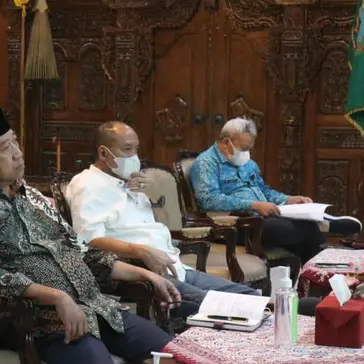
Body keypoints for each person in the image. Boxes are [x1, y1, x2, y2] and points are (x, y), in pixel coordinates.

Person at [0, 107, 178, 364]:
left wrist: (147, 275)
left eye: (15, 142)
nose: (18, 153)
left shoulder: (37, 199)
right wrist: (55, 297)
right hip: (43, 324)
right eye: (5, 148)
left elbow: (83, 253)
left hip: (97, 307)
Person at [65, 121, 259, 309]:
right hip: (146, 274)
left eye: (136, 149)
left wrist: (143, 195)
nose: (134, 157)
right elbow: (89, 240)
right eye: (127, 149)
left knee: (251, 299)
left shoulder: (129, 184)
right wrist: (141, 251)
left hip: (176, 268)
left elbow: (158, 228)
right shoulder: (87, 184)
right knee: (230, 308)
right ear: (103, 153)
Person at [191, 117, 361, 262]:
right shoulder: (206, 163)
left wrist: (287, 199)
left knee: (303, 231)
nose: (246, 153)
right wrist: (253, 205)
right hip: (237, 224)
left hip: (265, 217)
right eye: (243, 148)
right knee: (301, 230)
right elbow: (209, 200)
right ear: (226, 142)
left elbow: (265, 192)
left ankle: (314, 277)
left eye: (249, 148)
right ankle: (324, 260)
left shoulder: (247, 163)